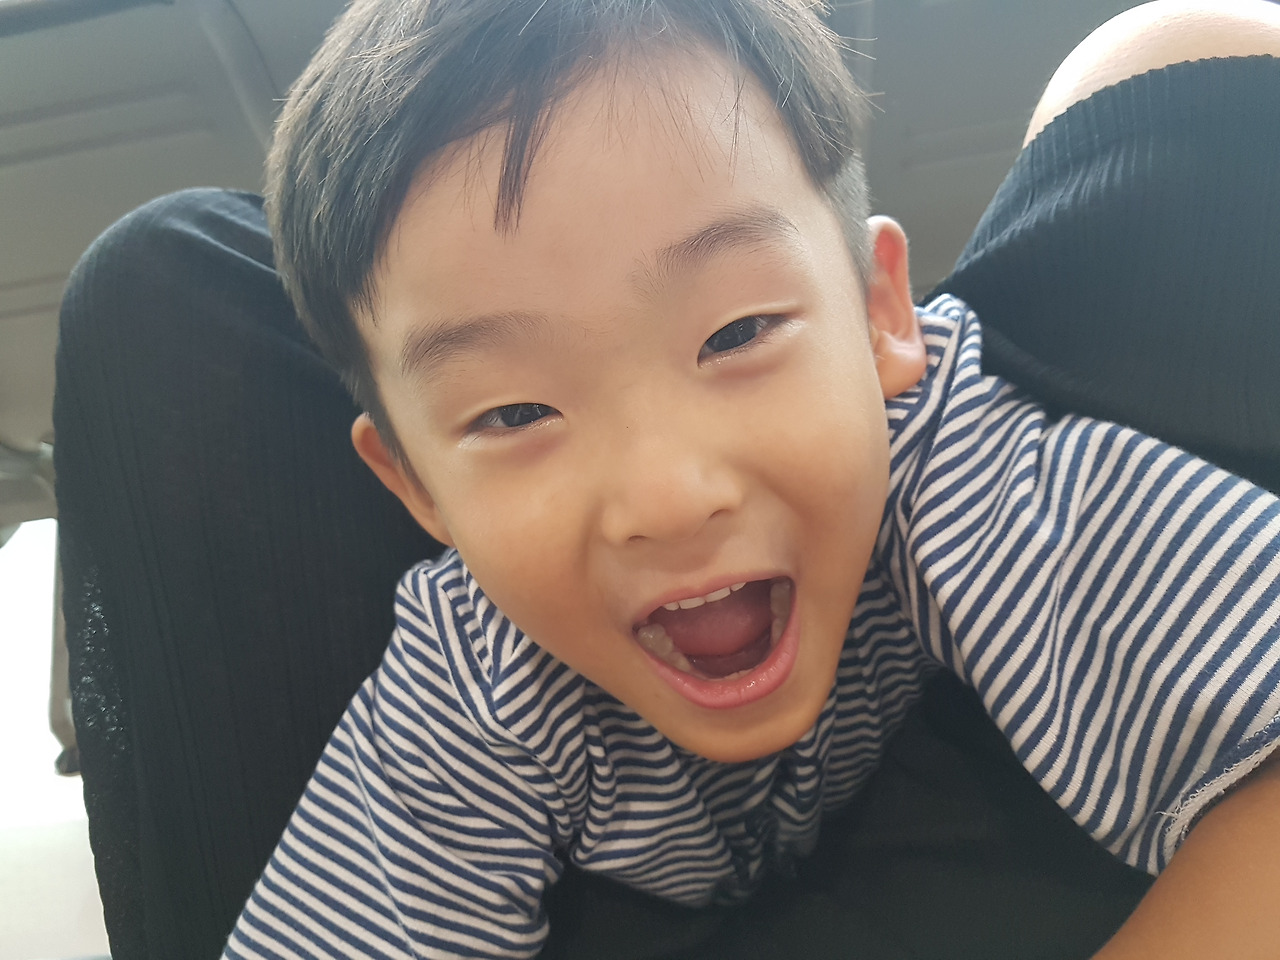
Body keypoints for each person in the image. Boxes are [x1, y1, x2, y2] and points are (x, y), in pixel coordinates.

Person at [51, 2, 1280, 959]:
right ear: (416, 491)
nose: (667, 495)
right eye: (515, 411)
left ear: (879, 319)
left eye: (736, 334)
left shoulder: (966, 467)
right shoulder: (475, 682)